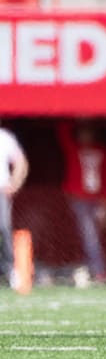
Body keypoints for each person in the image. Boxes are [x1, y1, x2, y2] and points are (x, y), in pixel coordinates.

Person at [56, 121, 106, 283]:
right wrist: (76, 116)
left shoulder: (102, 152)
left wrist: (105, 206)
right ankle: (97, 270)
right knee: (88, 235)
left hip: (97, 200)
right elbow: (62, 132)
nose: (85, 137)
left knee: (91, 236)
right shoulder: (74, 149)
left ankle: (97, 270)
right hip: (79, 199)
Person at [0, 121, 29, 289]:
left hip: (1, 191)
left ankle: (11, 270)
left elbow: (21, 162)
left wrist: (15, 183)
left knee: (4, 228)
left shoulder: (4, 137)